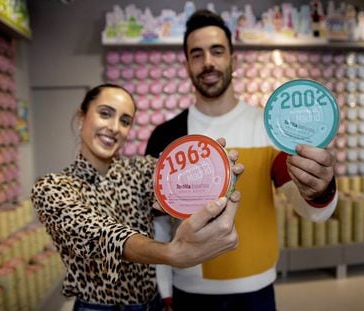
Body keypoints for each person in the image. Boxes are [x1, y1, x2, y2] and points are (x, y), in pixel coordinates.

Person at [145, 9, 338, 311]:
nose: (208, 62)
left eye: (217, 51)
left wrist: (322, 188)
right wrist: (164, 292)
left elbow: (313, 211)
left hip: (257, 291)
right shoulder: (167, 136)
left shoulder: (270, 128)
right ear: (186, 65)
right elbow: (158, 227)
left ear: (233, 58)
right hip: (188, 292)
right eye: (197, 54)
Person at [30, 83, 243, 311]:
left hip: (152, 303)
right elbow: (101, 234)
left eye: (125, 121)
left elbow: (180, 179)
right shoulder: (51, 187)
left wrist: (213, 169)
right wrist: (170, 253)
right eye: (105, 114)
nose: (114, 127)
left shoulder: (140, 170)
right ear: (82, 117)